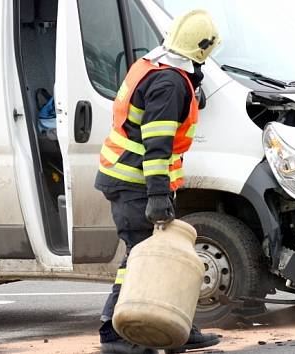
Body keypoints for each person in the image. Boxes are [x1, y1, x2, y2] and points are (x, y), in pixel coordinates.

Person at [94, 9, 221, 353]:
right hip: (136, 182)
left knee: (147, 256)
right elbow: (157, 144)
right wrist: (157, 195)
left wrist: (191, 90)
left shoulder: (155, 67)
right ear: (202, 49)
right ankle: (113, 332)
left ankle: (177, 326)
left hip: (126, 176)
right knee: (140, 258)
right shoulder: (169, 84)